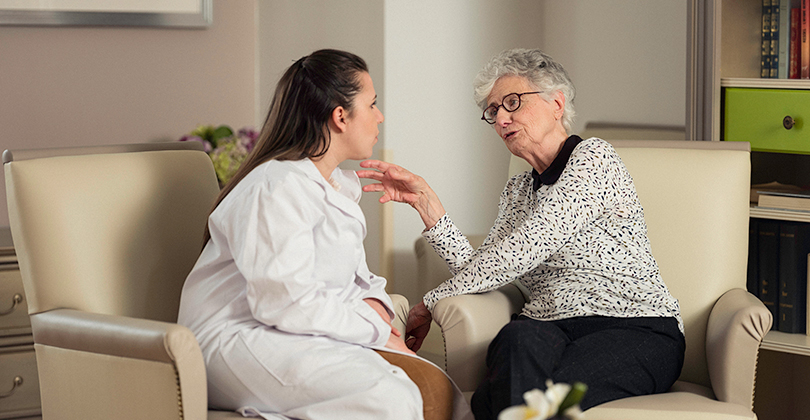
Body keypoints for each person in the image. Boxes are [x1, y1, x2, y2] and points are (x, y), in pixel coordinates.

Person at [358, 48, 685, 419]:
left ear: (557, 103)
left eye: (512, 103)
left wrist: (428, 301)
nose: (502, 119)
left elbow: (522, 250)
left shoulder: (595, 159)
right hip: (547, 328)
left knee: (527, 397)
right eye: (494, 111)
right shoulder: (517, 190)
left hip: (633, 329)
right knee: (515, 340)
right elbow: (483, 270)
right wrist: (429, 207)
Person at [177, 49, 469, 420]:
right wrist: (375, 329)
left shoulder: (335, 187)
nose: (380, 116)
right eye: (372, 104)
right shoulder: (277, 186)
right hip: (235, 340)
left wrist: (377, 308)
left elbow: (359, 280)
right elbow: (284, 302)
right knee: (389, 398)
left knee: (437, 391)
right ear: (340, 116)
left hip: (291, 332)